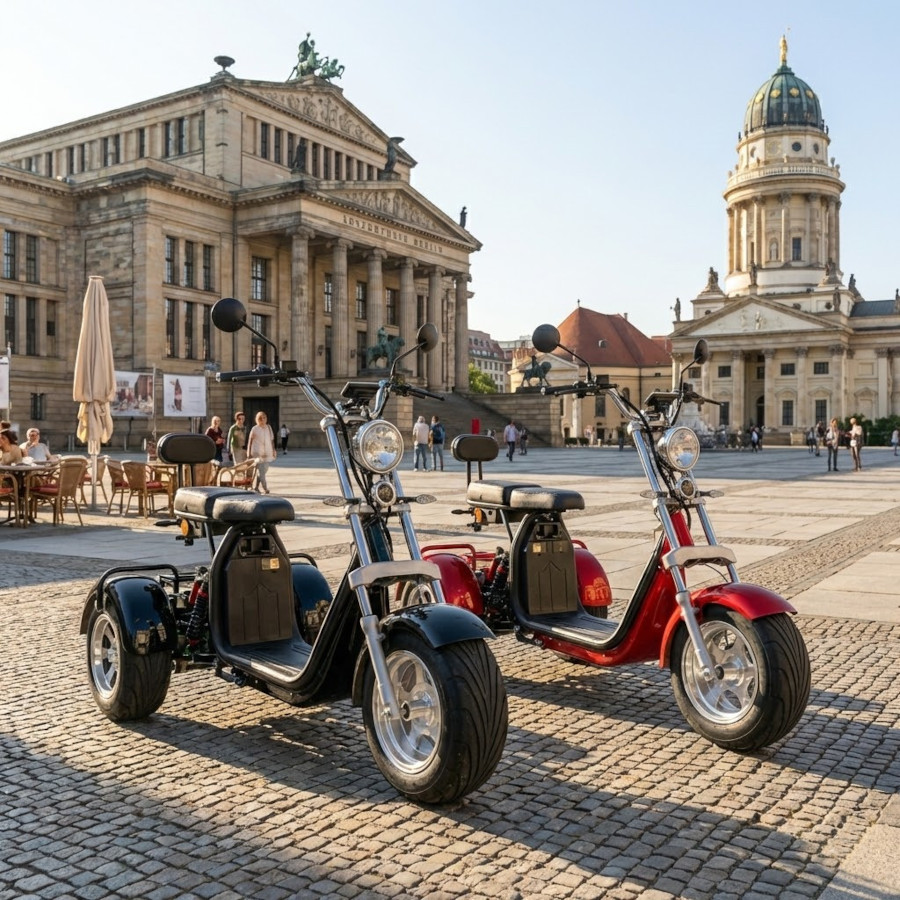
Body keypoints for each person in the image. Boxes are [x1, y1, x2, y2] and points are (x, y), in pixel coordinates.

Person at [246, 411, 276, 493]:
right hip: (257, 452)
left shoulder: (269, 427)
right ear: (257, 419)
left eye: (264, 417)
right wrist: (248, 452)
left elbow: (272, 440)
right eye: (260, 418)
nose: (263, 419)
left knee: (263, 470)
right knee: (262, 471)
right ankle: (265, 488)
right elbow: (250, 441)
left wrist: (274, 450)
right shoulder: (254, 429)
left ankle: (256, 487)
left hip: (267, 451)